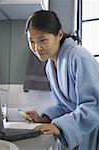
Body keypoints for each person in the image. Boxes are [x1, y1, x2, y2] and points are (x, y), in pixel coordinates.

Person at [24, 10, 99, 150]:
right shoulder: (50, 66)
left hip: (93, 133)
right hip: (79, 134)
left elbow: (94, 105)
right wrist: (45, 118)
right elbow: (65, 106)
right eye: (32, 41)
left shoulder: (79, 57)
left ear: (59, 35)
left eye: (42, 40)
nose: (37, 48)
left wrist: (60, 126)